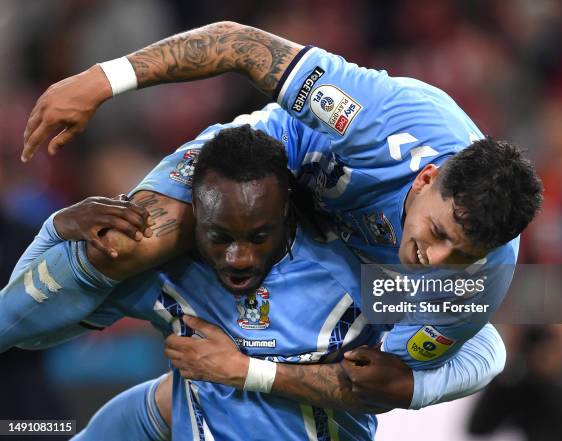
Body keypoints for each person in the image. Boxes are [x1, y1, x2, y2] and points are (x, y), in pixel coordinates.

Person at [17, 21, 543, 406]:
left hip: (346, 262)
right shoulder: (381, 118)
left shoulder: (474, 284)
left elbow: (376, 385)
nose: (434, 259)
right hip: (276, 163)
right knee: (128, 243)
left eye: (460, 255)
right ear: (426, 178)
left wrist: (250, 372)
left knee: (318, 365)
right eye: (437, 233)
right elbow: (239, 44)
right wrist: (102, 80)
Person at [5, 126, 506, 440]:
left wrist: (412, 385)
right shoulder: (174, 272)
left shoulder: (354, 281)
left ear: (287, 213)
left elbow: (489, 349)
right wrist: (56, 231)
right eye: (219, 236)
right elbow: (22, 325)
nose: (238, 257)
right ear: (193, 218)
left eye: (259, 235)